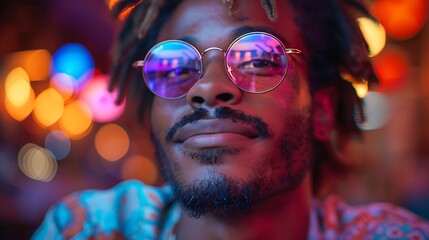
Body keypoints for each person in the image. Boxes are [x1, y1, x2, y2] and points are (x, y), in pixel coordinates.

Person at [33, 0, 429, 239]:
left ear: (322, 113)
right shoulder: (88, 229)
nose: (206, 88)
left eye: (257, 58)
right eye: (174, 65)